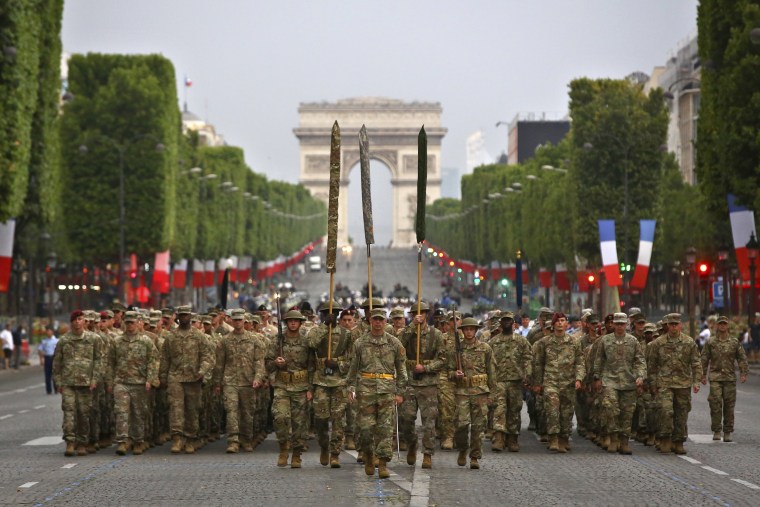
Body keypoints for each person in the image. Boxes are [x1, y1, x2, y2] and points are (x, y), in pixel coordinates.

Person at [347, 308, 407, 479]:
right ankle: (368, 456)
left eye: (381, 319)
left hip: (387, 391)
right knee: (365, 429)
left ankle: (382, 463)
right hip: (366, 390)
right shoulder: (360, 343)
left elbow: (402, 370)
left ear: (385, 321)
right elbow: (353, 368)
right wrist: (350, 387)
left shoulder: (394, 343)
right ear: (370, 321)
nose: (378, 323)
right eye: (375, 319)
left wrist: (400, 392)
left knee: (385, 429)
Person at [159, 305, 215, 455]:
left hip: (193, 378)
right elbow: (165, 358)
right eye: (181, 315)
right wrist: (163, 377)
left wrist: (202, 371)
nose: (183, 318)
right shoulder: (171, 337)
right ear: (177, 317)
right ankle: (177, 438)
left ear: (190, 317)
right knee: (176, 409)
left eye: (186, 315)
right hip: (175, 377)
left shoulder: (199, 336)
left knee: (192, 410)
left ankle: (190, 438)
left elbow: (207, 357)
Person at [398, 301, 445, 468]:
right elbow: (398, 344)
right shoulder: (407, 332)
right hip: (410, 382)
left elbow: (442, 360)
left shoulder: (436, 334)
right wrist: (412, 326)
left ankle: (427, 453)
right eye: (417, 313)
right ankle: (411, 444)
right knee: (406, 418)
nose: (420, 316)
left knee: (429, 422)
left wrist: (426, 367)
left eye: (423, 313)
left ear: (427, 314)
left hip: (428, 383)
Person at [647, 313, 702, 455]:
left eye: (676, 324)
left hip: (683, 384)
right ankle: (665, 439)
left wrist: (696, 381)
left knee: (681, 413)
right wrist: (652, 384)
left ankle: (678, 441)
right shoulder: (659, 343)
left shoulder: (689, 342)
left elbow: (696, 363)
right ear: (667, 326)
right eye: (670, 325)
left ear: (680, 325)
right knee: (666, 411)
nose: (673, 327)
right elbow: (652, 366)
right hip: (664, 383)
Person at [307, 301, 353, 468]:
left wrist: (338, 365)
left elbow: (352, 360)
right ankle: (324, 445)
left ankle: (335, 453)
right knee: (320, 418)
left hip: (339, 382)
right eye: (327, 313)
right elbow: (311, 343)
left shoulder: (346, 335)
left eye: (333, 314)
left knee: (338, 419)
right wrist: (325, 325)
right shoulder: (316, 331)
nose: (331, 316)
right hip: (320, 382)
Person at [266, 309, 314, 468]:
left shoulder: (307, 342)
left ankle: (297, 454)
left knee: (300, 423)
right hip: (282, 385)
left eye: (296, 321)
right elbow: (267, 363)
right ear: (286, 323)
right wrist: (276, 363)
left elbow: (312, 366)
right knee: (280, 417)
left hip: (301, 386)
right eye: (290, 321)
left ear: (300, 323)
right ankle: (283, 448)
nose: (293, 323)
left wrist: (310, 388)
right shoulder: (277, 340)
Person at [592, 313, 646, 455]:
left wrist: (640, 376)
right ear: (614, 325)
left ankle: (624, 442)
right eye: (618, 324)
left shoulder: (633, 341)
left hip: (629, 382)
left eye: (623, 324)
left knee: (627, 413)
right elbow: (599, 360)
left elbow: (640, 361)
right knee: (610, 409)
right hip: (610, 380)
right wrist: (597, 378)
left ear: (627, 325)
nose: (620, 326)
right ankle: (613, 438)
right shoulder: (605, 340)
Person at [532, 312, 585, 453]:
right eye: (558, 321)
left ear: (566, 324)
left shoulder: (574, 342)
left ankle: (564, 438)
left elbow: (580, 362)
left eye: (563, 320)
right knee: (552, 410)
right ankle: (554, 438)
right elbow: (539, 364)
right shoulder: (545, 342)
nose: (560, 323)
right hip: (551, 382)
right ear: (553, 324)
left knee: (567, 412)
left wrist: (579, 378)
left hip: (568, 383)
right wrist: (537, 383)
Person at [108, 311, 160, 455]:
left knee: (138, 413)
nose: (130, 325)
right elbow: (110, 363)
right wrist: (110, 381)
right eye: (127, 322)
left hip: (139, 382)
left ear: (138, 323)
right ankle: (123, 442)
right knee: (121, 412)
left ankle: (138, 441)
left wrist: (150, 379)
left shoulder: (145, 341)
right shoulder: (117, 341)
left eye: (132, 322)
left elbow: (153, 361)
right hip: (121, 382)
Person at [52, 310, 103, 457]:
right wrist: (58, 382)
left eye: (80, 319)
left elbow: (99, 360)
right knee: (69, 414)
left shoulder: (93, 339)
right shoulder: (64, 340)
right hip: (68, 383)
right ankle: (70, 442)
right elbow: (57, 363)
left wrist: (94, 379)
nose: (77, 322)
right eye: (74, 320)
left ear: (84, 321)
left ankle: (82, 443)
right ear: (71, 322)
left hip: (86, 384)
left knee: (83, 414)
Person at [214, 308, 265, 454]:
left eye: (240, 320)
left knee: (248, 412)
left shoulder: (254, 340)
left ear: (245, 321)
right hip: (230, 381)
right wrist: (217, 383)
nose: (237, 322)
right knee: (231, 411)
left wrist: (258, 378)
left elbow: (259, 362)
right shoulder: (225, 341)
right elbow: (219, 364)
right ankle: (233, 441)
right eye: (235, 320)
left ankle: (246, 439)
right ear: (231, 320)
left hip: (248, 382)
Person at [450, 317, 496, 469]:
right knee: (461, 425)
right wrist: (454, 374)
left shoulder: (485, 348)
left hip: (480, 392)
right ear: (462, 331)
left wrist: (492, 394)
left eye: (471, 329)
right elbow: (447, 371)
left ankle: (475, 456)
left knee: (478, 427)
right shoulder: (457, 349)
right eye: (466, 329)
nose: (469, 332)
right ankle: (462, 448)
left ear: (476, 331)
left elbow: (491, 371)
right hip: (462, 391)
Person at [700, 315, 749, 442]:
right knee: (715, 404)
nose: (722, 326)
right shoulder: (711, 342)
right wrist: (702, 375)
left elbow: (742, 358)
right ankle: (716, 430)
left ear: (728, 326)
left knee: (729, 405)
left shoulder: (734, 342)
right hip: (715, 377)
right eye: (720, 323)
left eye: (724, 324)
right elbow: (704, 359)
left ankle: (727, 431)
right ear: (717, 325)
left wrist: (744, 372)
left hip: (729, 378)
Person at [489, 311, 532, 452]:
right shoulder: (493, 342)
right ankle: (499, 438)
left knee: (514, 410)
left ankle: (513, 438)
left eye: (509, 320)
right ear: (500, 323)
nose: (506, 323)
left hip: (516, 381)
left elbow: (528, 359)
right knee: (499, 409)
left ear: (513, 323)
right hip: (499, 381)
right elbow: (488, 362)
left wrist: (528, 375)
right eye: (504, 320)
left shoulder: (521, 341)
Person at [38, 326, 59, 394]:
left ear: (52, 332)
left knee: (55, 375)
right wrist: (41, 360)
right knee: (47, 375)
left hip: (54, 358)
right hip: (47, 358)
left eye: (49, 331)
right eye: (47, 331)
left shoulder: (56, 340)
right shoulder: (44, 341)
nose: (48, 332)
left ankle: (56, 389)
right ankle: (48, 390)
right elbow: (40, 350)